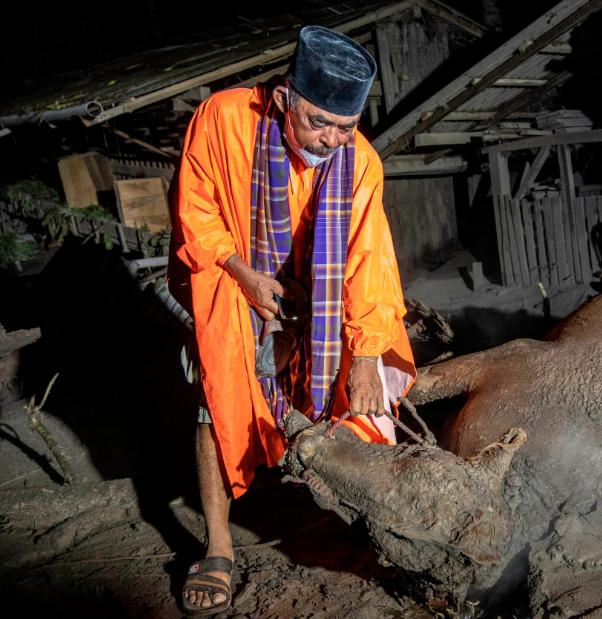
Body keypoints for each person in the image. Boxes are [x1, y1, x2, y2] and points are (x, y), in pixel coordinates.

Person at [168, 25, 416, 615]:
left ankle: (364, 520)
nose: (331, 139)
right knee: (217, 394)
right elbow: (197, 209)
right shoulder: (224, 119)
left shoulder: (361, 162)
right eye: (318, 123)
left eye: (345, 127)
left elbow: (368, 260)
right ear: (283, 100)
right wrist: (244, 273)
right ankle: (220, 545)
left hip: (321, 301)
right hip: (239, 281)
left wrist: (367, 354)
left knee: (368, 394)